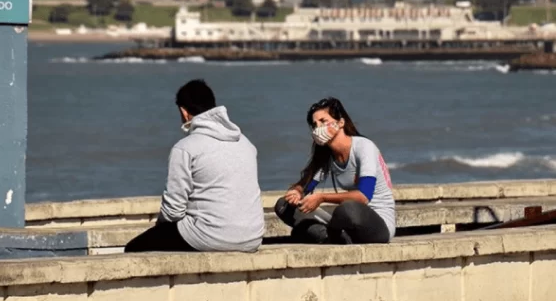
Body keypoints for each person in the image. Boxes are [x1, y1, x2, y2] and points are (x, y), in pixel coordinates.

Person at [125, 79, 264, 253]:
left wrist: (159, 228)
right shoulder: (246, 143)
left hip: (209, 237)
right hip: (252, 238)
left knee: (133, 249)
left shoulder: (185, 148)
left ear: (184, 112)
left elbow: (173, 211)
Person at [274, 97, 396, 244]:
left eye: (323, 121)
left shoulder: (364, 147)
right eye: (314, 125)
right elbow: (306, 186)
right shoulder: (327, 156)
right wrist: (296, 192)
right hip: (344, 224)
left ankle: (326, 235)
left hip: (377, 223)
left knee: (348, 209)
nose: (317, 128)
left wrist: (322, 198)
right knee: (283, 206)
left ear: (341, 122)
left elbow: (364, 196)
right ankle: (335, 237)